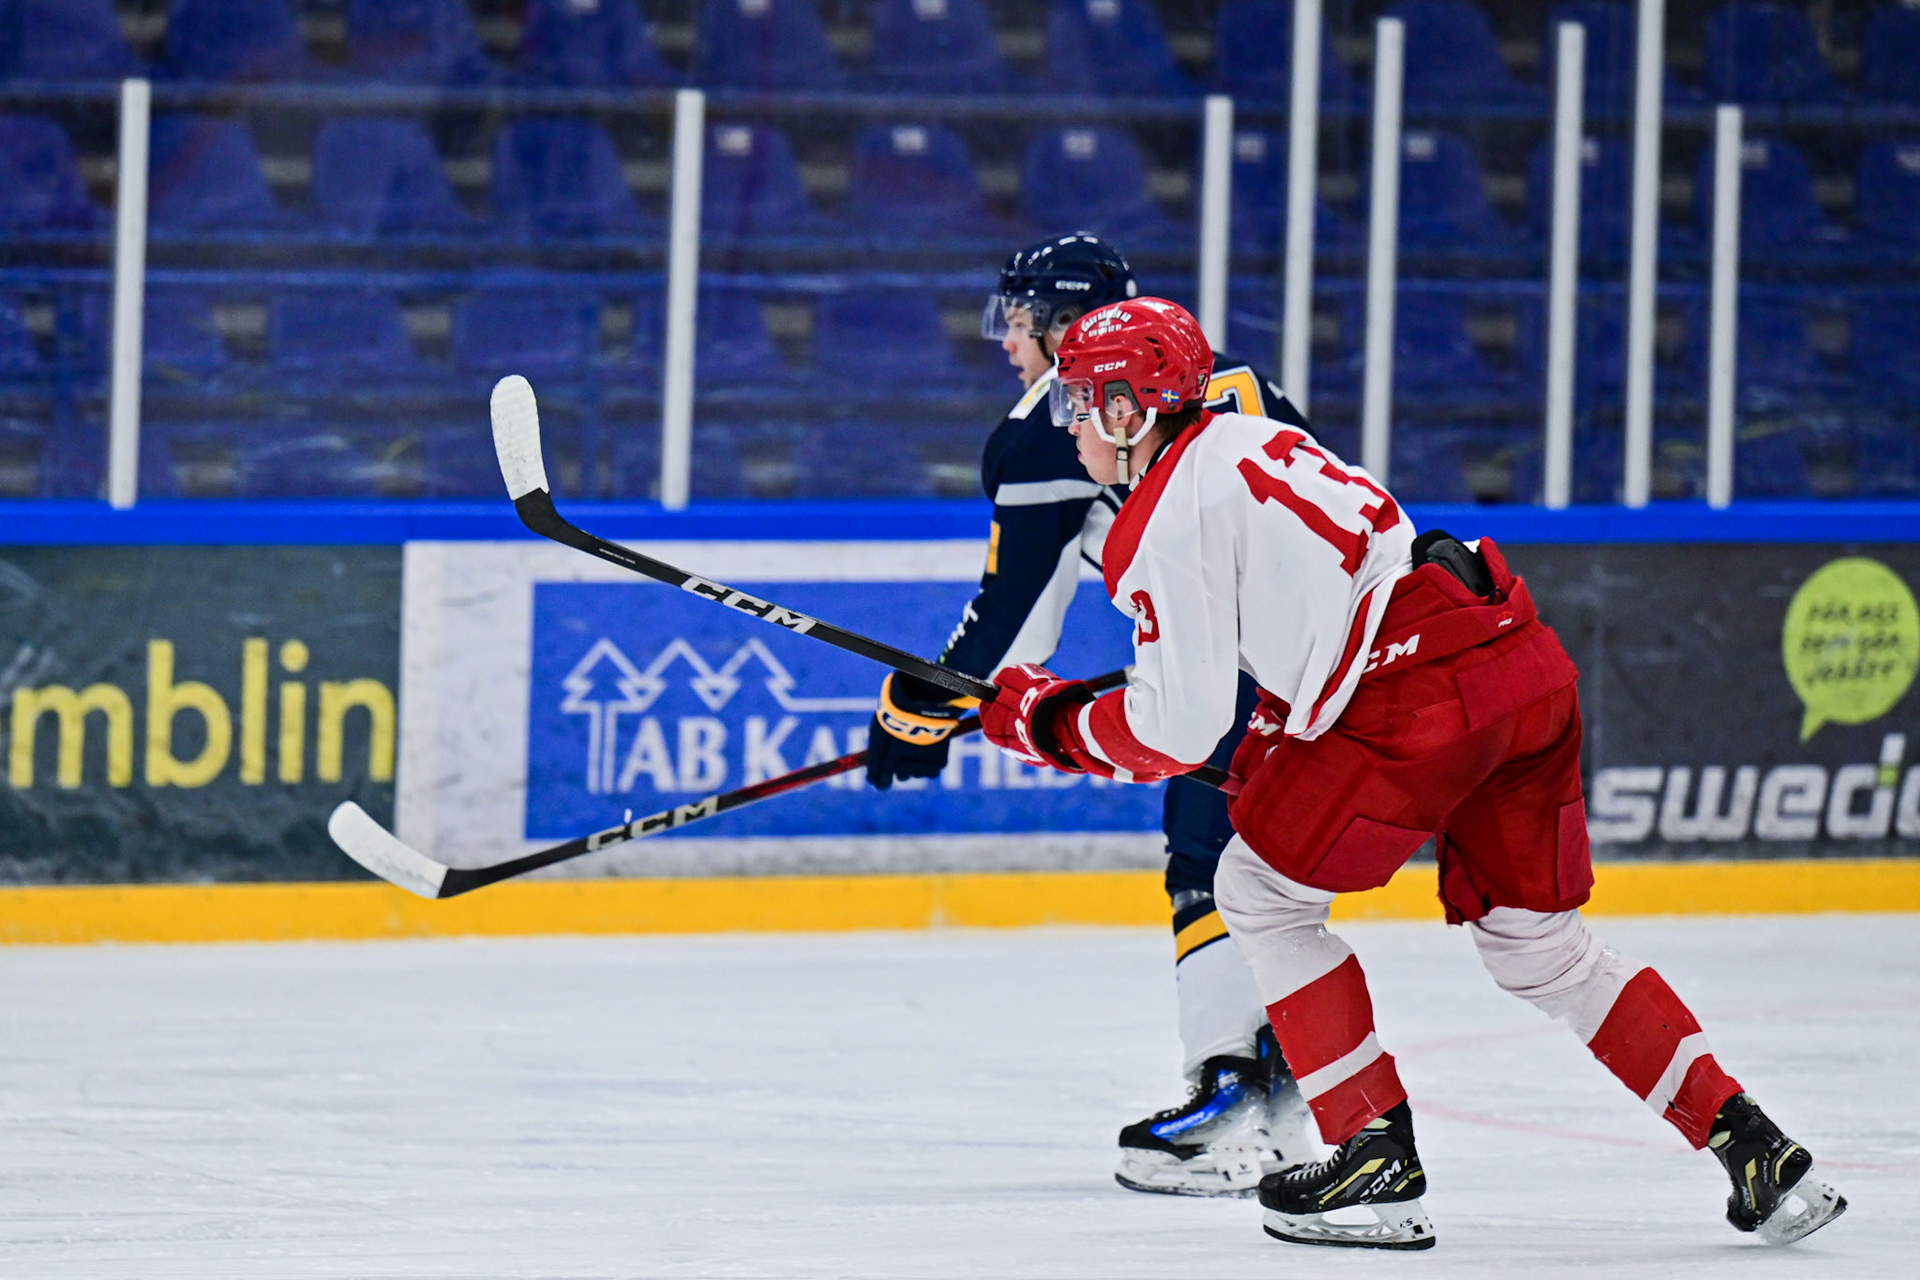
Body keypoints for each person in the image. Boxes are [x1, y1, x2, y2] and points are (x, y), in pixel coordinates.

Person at [977, 296, 1847, 1251]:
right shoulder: (1256, 441)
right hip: (1512, 659)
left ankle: (1373, 1156)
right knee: (1541, 948)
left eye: (1083, 402)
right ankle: (1756, 1147)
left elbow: (1176, 727)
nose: (1070, 425)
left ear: (1129, 411)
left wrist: (1043, 719)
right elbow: (1312, 631)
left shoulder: (1162, 516)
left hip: (1411, 697)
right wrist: (1262, 746)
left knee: (1258, 892)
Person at [864, 233, 1315, 1196]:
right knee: (1262, 869)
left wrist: (920, 706)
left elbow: (1015, 623)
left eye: (1021, 318)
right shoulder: (1227, 379)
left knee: (1211, 863)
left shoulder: (1051, 425)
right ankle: (1285, 1092)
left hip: (1244, 673)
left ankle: (1232, 1103)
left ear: (1071, 322)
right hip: (1333, 657)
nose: (1006, 340)